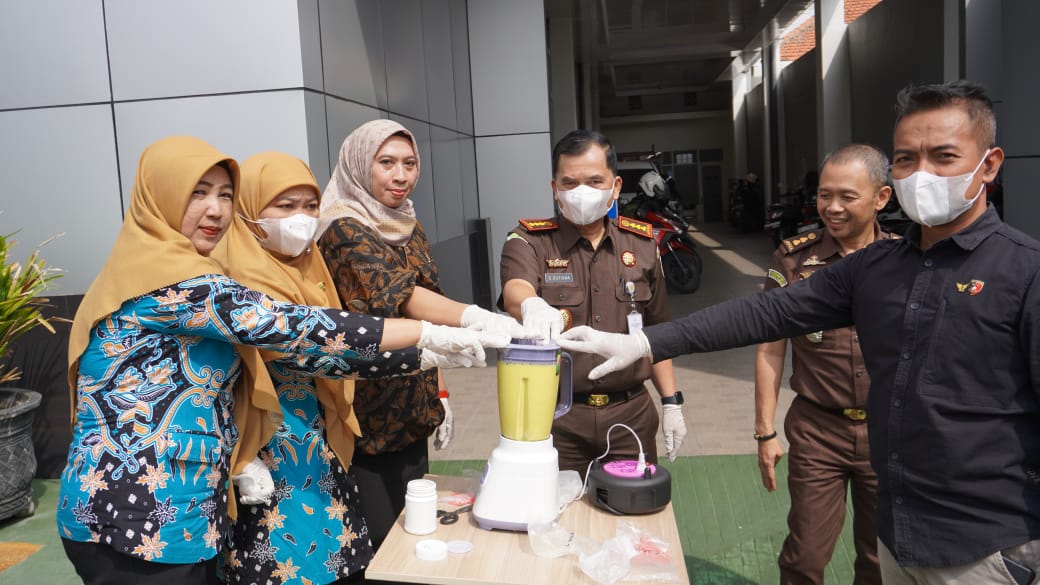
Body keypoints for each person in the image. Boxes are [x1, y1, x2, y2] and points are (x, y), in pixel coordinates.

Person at [558, 80, 1040, 584]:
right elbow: (765, 315)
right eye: (905, 159)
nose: (921, 174)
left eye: (943, 157)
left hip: (985, 549)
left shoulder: (1024, 273)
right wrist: (644, 342)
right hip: (901, 537)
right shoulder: (877, 267)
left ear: (989, 164)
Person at [56, 136, 506, 585]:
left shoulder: (197, 273)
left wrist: (424, 356)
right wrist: (433, 330)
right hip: (136, 513)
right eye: (198, 193)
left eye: (225, 195)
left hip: (184, 509)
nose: (215, 210)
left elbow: (312, 352)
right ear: (160, 196)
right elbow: (295, 326)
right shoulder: (172, 282)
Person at [317, 119, 528, 575]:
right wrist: (477, 316)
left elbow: (429, 317)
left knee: (416, 531)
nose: (401, 176)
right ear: (359, 166)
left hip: (411, 407)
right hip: (365, 416)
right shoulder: (342, 227)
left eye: (409, 163)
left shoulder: (406, 223)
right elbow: (400, 296)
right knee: (380, 546)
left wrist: (440, 389)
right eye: (386, 163)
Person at [498, 129, 686, 476]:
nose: (581, 192)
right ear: (554, 188)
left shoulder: (642, 246)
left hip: (630, 417)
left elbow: (657, 331)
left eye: (594, 181)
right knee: (555, 507)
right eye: (569, 183)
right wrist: (531, 305)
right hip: (555, 418)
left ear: (615, 186)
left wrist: (671, 401)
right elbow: (516, 289)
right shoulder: (530, 241)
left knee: (633, 506)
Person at [756, 144, 895, 585]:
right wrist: (765, 431)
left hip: (889, 432)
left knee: (881, 558)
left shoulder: (904, 260)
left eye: (847, 197)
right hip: (817, 431)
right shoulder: (794, 258)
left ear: (881, 197)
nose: (832, 207)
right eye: (824, 195)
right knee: (805, 556)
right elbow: (771, 347)